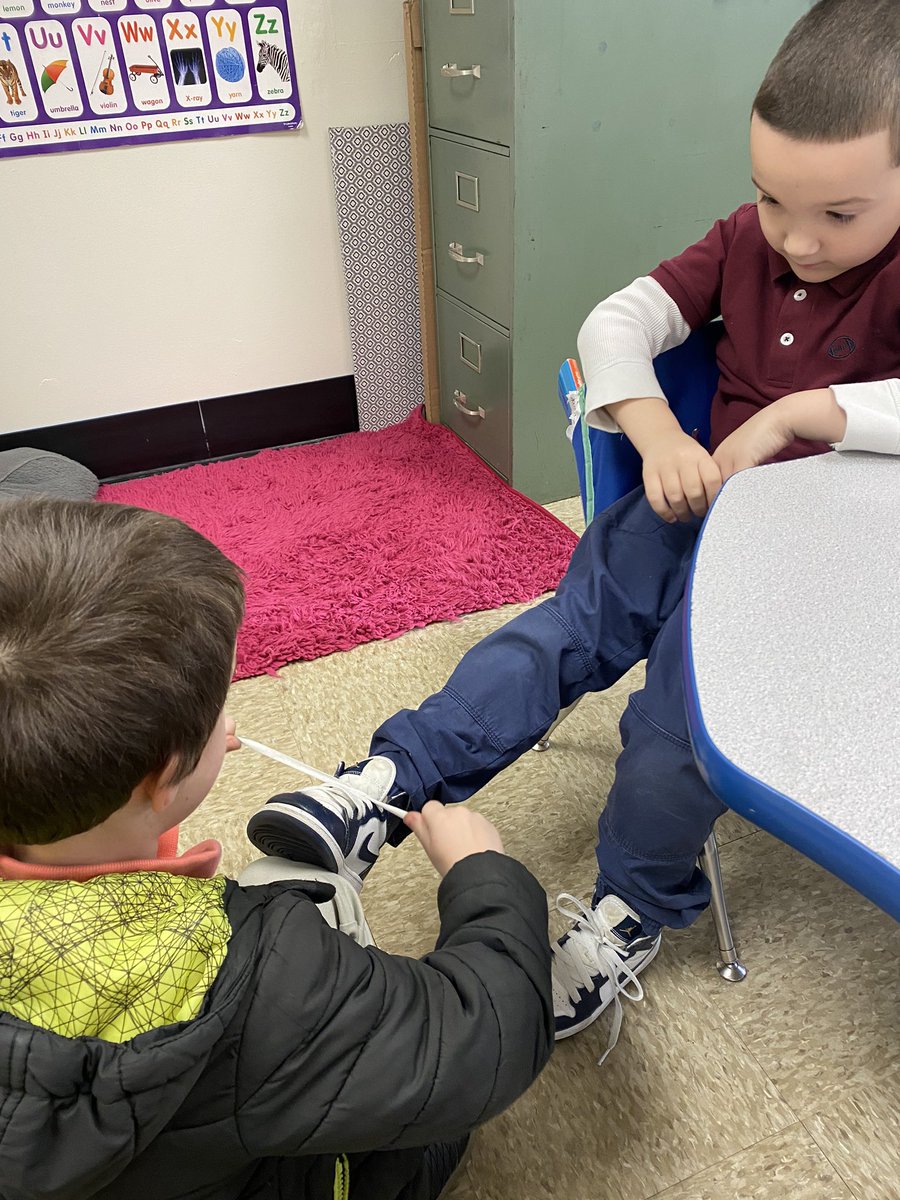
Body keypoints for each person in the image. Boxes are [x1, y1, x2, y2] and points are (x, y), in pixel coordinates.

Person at [247, 0, 900, 1054]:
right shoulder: (745, 242)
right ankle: (386, 786)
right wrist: (653, 431)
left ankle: (631, 907)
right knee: (558, 633)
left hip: (801, 567)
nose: (797, 238)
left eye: (839, 214)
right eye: (773, 198)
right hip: (686, 508)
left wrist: (792, 413)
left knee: (674, 729)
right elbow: (617, 322)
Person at [0, 498, 553, 1200]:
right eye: (216, 714)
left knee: (283, 891)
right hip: (285, 1156)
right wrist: (483, 878)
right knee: (424, 1112)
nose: (229, 725)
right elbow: (484, 1041)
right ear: (160, 776)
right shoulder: (260, 977)